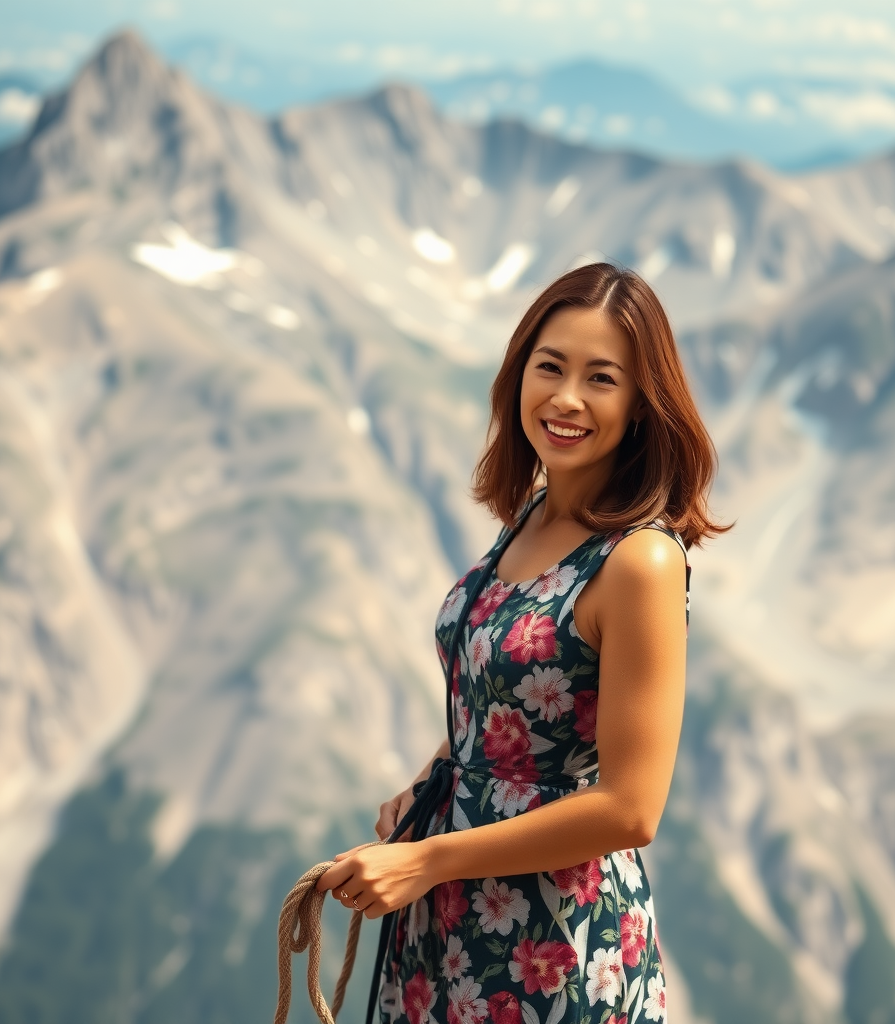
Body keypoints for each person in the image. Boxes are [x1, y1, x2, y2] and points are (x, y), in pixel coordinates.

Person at [317, 262, 725, 1024]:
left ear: (642, 405)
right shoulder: (533, 516)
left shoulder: (641, 559)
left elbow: (631, 808)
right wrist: (430, 784)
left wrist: (425, 859)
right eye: (550, 367)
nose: (566, 398)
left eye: (602, 379)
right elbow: (503, 718)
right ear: (518, 375)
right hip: (449, 922)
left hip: (556, 943)